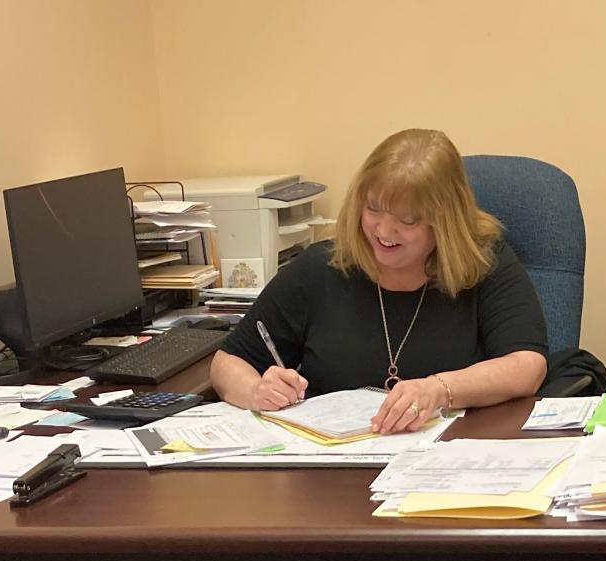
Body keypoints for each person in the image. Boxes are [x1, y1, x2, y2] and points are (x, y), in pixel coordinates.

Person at [210, 128, 548, 434]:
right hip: (330, 477)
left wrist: (438, 389)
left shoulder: (483, 262)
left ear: (444, 222)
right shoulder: (322, 267)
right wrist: (256, 391)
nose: (384, 232)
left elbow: (526, 366)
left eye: (407, 220)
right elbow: (228, 362)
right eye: (373, 209)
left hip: (449, 464)